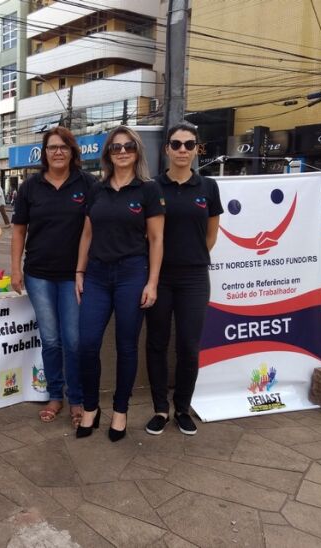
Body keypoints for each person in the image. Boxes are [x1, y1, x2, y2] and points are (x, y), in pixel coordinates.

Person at [75, 125, 164, 442]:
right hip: (97, 276)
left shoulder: (148, 190)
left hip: (131, 274)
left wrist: (152, 282)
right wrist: (79, 272)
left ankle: (120, 410)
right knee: (86, 344)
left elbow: (156, 239)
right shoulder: (96, 189)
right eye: (116, 147)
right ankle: (90, 408)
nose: (122, 151)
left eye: (128, 146)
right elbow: (87, 234)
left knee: (127, 347)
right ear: (108, 154)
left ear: (137, 151)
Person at [11, 127, 97, 426]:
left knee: (73, 341)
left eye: (63, 147)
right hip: (38, 275)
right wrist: (15, 268)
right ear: (43, 153)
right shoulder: (30, 187)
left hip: (74, 277)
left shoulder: (87, 184)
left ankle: (77, 399)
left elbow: (95, 229)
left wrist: (86, 270)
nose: (57, 152)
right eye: (51, 148)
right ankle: (55, 396)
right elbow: (19, 229)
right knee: (50, 340)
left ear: (73, 152)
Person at [144, 121, 223, 436]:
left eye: (189, 145)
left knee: (189, 346)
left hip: (193, 278)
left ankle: (182, 408)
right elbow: (148, 236)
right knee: (156, 344)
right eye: (176, 144)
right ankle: (160, 409)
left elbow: (211, 235)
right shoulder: (152, 187)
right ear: (166, 149)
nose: (182, 150)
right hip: (159, 278)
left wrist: (191, 257)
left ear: (196, 150)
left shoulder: (208, 188)